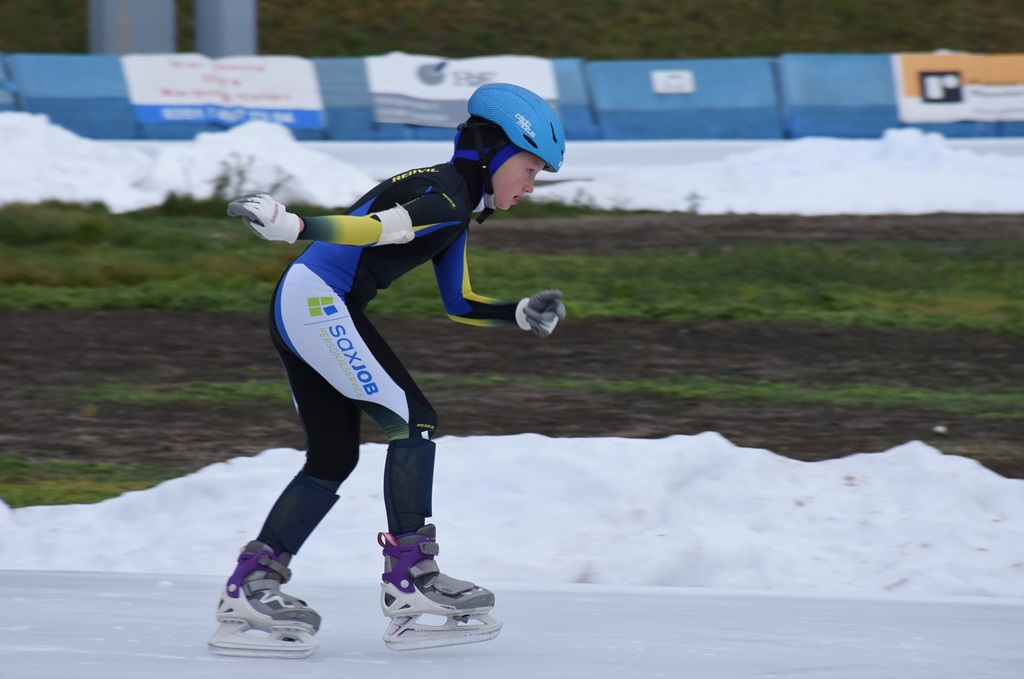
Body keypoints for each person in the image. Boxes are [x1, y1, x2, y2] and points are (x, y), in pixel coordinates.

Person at [207, 83, 567, 658]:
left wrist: (517, 314)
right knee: (412, 420)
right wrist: (294, 226)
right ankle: (411, 577)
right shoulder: (443, 197)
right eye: (529, 169)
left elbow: (459, 303)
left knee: (333, 457)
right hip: (317, 300)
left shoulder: (455, 205)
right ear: (494, 153)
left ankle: (252, 586)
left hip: (306, 301)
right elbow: (374, 229)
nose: (530, 186)